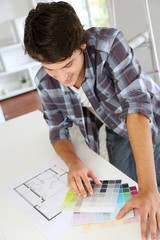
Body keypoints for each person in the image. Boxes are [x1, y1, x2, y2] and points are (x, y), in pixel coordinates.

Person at [24, 2, 160, 239]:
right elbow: (57, 129)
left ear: (82, 44)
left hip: (149, 119)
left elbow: (137, 109)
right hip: (115, 127)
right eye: (51, 69)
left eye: (68, 65)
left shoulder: (110, 45)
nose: (62, 77)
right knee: (126, 194)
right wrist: (73, 162)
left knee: (151, 189)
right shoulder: (45, 81)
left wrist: (149, 188)